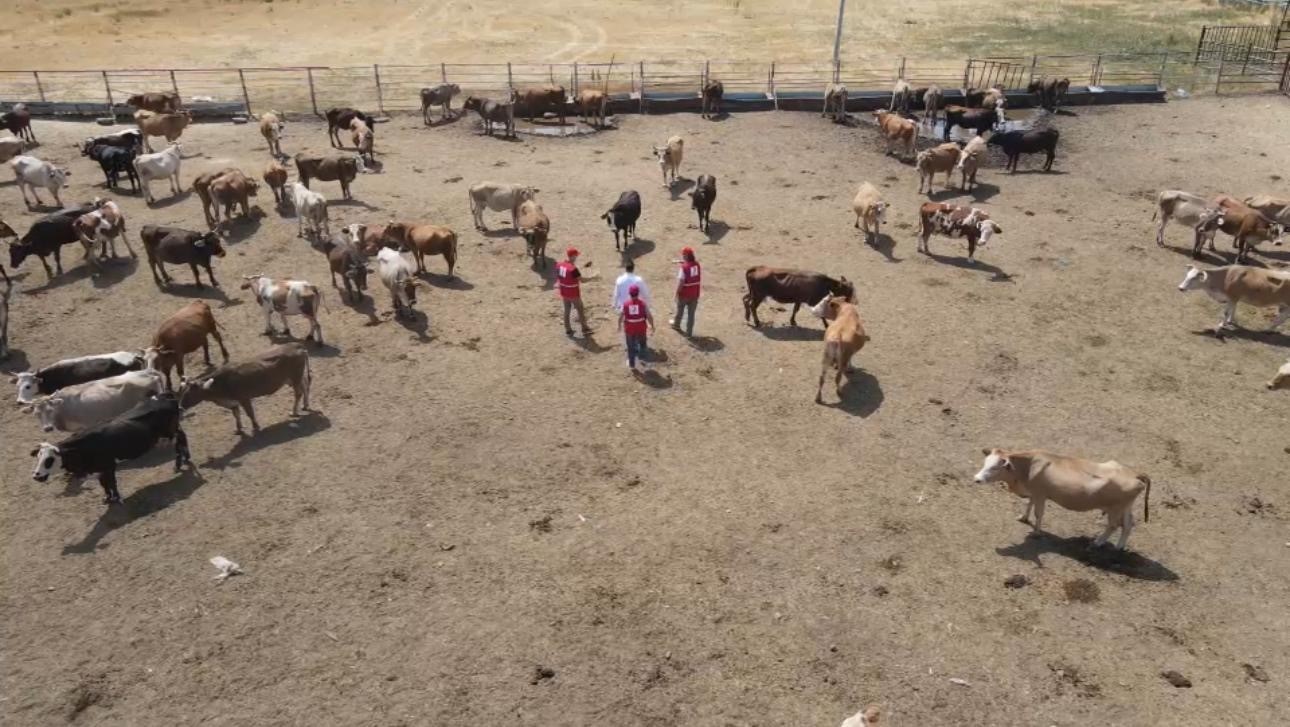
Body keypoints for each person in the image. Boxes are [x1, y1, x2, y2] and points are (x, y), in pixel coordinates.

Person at [555, 247, 592, 337]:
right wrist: (593, 278)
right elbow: (582, 280)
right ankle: (585, 328)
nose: (576, 257)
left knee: (567, 309)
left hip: (564, 291)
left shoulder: (559, 265)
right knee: (580, 309)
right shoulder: (573, 269)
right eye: (576, 256)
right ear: (572, 256)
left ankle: (568, 329)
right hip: (573, 292)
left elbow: (562, 275)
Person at [617, 285, 654, 372]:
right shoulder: (643, 304)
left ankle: (632, 364)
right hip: (641, 327)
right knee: (642, 343)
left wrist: (619, 325)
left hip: (630, 328)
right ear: (638, 293)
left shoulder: (625, 304)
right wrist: (652, 325)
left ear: (630, 294)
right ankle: (643, 357)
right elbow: (649, 315)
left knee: (630, 346)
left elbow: (621, 316)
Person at [672, 246, 701, 336]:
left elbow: (681, 282)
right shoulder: (697, 264)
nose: (682, 256)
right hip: (695, 293)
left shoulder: (683, 268)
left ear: (686, 255)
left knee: (680, 310)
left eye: (683, 255)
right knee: (691, 314)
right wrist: (681, 262)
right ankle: (689, 332)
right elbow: (690, 265)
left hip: (684, 294)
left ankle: (676, 325)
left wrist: (676, 293)